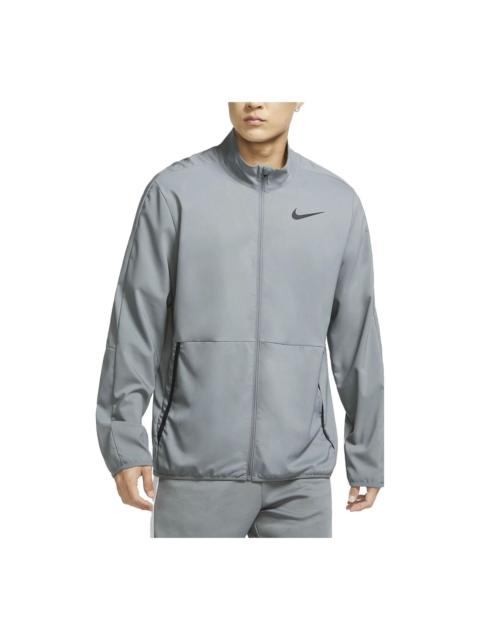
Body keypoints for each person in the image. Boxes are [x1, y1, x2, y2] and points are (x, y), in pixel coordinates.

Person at [95, 102, 384, 538]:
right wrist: (123, 440)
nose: (255, 101)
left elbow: (356, 336)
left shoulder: (336, 202)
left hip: (301, 476)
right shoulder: (175, 192)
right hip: (196, 467)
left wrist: (367, 452)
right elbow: (136, 321)